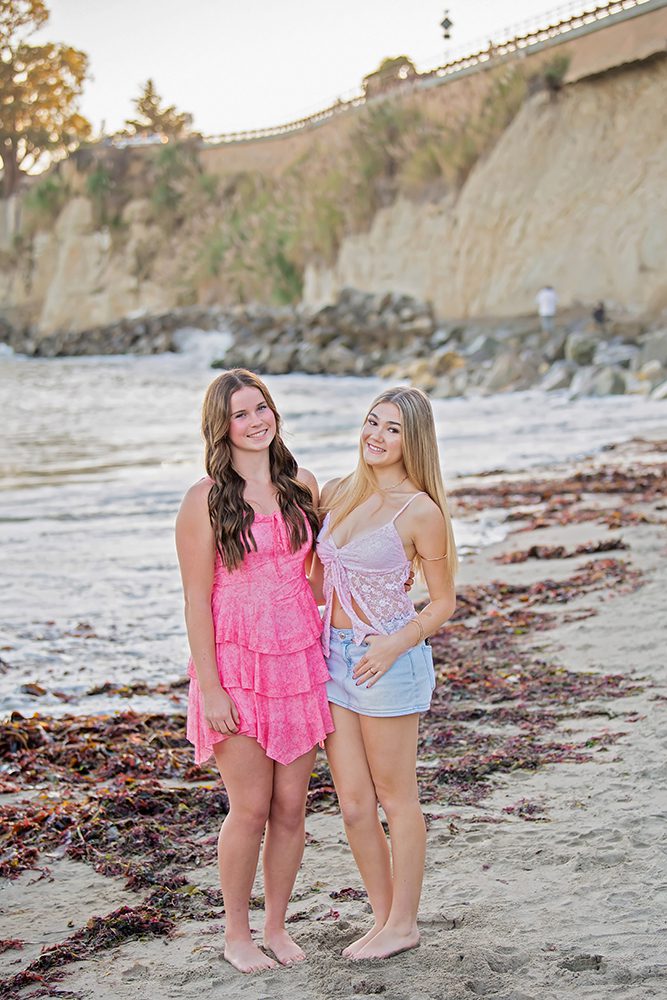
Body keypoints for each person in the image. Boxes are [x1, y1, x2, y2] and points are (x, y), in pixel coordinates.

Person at [175, 369, 334, 974]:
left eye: (260, 407)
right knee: (249, 808)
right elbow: (196, 601)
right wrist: (211, 688)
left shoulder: (302, 486)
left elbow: (316, 577)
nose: (255, 421)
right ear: (222, 427)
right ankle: (236, 934)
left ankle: (276, 926)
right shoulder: (204, 499)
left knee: (291, 807)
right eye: (240, 414)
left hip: (299, 661)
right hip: (235, 666)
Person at [312, 386, 458, 961]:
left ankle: (404, 923)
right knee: (352, 804)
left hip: (388, 663)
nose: (376, 435)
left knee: (397, 799)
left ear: (412, 439)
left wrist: (396, 644)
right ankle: (383, 918)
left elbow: (443, 602)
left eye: (392, 428)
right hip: (332, 657)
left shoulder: (421, 511)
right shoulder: (336, 492)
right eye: (372, 422)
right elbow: (315, 579)